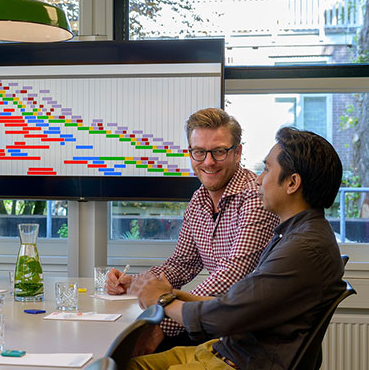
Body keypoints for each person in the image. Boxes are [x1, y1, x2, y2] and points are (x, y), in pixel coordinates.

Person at [114, 127, 346, 370]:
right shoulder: (294, 234)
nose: (260, 179)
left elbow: (224, 316)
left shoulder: (303, 248)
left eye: (267, 169)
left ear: (292, 183)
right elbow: (234, 302)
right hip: (227, 356)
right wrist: (164, 292)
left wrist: (164, 302)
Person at [106, 108, 279, 352]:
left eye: (219, 152)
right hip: (217, 325)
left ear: (237, 152)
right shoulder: (199, 199)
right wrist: (134, 283)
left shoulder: (255, 197)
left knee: (129, 358)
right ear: (190, 153)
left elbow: (232, 277)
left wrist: (164, 323)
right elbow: (182, 263)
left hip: (248, 338)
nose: (208, 162)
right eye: (199, 152)